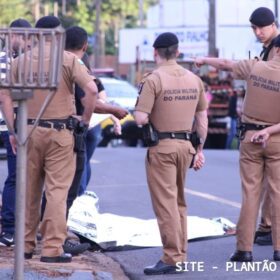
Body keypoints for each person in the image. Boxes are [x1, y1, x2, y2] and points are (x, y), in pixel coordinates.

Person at [0, 16, 98, 263]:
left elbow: (6, 98)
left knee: (29, 190)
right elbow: (92, 90)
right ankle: (52, 249)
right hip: (60, 132)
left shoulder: (20, 62)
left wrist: (13, 131)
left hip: (28, 131)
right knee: (56, 191)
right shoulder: (67, 60)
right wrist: (84, 119)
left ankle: (25, 245)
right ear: (59, 35)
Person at [195, 35, 280, 262]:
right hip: (277, 140)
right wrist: (271, 132)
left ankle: (244, 250)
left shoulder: (254, 66)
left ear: (277, 50)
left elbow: (225, 64)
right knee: (278, 193)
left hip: (251, 137)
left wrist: (204, 59)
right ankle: (278, 250)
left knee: (250, 193)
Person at [134, 32, 208, 275]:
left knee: (165, 204)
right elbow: (202, 118)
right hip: (186, 147)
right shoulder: (194, 79)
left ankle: (171, 257)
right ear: (177, 52)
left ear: (155, 53)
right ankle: (181, 254)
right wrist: (199, 150)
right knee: (179, 202)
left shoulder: (153, 79)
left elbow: (141, 118)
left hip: (162, 148)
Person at [249, 6, 280, 246]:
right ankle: (266, 226)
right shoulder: (269, 47)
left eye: (262, 27)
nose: (258, 32)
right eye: (254, 28)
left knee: (273, 183)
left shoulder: (277, 47)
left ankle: (268, 227)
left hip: (274, 126)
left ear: (273, 25)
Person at [0, 18, 32, 247]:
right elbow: (8, 98)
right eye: (23, 37)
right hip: (10, 124)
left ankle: (10, 229)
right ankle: (10, 229)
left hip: (9, 124)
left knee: (15, 177)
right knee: (15, 177)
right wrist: (13, 129)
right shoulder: (19, 63)